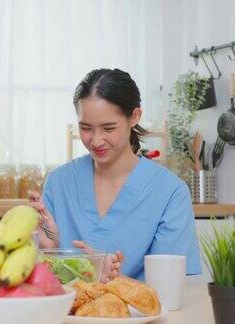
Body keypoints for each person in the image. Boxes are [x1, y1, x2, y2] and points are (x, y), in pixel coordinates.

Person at [31, 68, 201, 280]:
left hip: (137, 314)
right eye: (86, 128)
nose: (96, 140)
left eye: (108, 128)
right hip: (65, 313)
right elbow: (43, 280)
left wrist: (114, 279)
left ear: (134, 117)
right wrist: (46, 249)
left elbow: (172, 289)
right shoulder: (59, 183)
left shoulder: (170, 192)